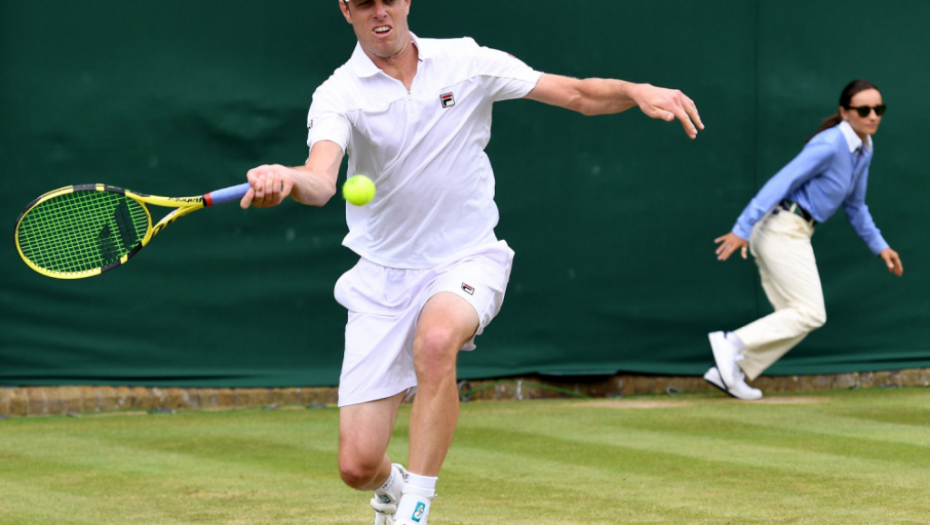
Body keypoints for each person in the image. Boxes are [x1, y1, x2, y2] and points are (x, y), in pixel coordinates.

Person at [239, 1, 702, 523]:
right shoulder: (338, 93)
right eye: (365, 2)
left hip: (466, 258)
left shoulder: (466, 61)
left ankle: (415, 507)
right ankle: (392, 487)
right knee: (357, 464)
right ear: (346, 9)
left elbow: (576, 93)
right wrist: (287, 178)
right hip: (382, 277)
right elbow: (321, 180)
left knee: (437, 342)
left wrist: (636, 91)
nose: (380, 11)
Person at [706, 79, 903, 401]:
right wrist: (743, 227)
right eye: (864, 109)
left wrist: (880, 246)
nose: (873, 116)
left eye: (878, 109)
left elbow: (855, 206)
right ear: (844, 112)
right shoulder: (830, 144)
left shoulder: (864, 148)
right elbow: (782, 181)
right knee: (811, 313)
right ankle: (731, 342)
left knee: (796, 317)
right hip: (781, 228)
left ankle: (733, 370)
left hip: (792, 230)